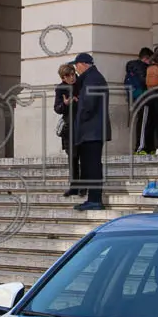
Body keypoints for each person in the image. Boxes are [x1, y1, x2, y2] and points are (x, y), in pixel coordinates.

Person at [69, 53, 111, 212]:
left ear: (84, 64)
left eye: (77, 65)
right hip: (91, 130)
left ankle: (95, 200)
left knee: (93, 166)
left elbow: (89, 105)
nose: (76, 69)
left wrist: (81, 119)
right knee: (90, 165)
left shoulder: (93, 79)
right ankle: (93, 199)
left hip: (92, 131)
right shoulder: (90, 78)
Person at [53, 63, 79, 197]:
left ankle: (84, 186)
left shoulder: (80, 84)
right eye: (68, 76)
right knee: (72, 158)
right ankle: (74, 186)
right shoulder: (61, 89)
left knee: (83, 156)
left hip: (82, 124)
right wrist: (65, 103)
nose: (72, 77)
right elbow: (57, 108)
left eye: (73, 74)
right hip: (69, 127)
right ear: (63, 78)